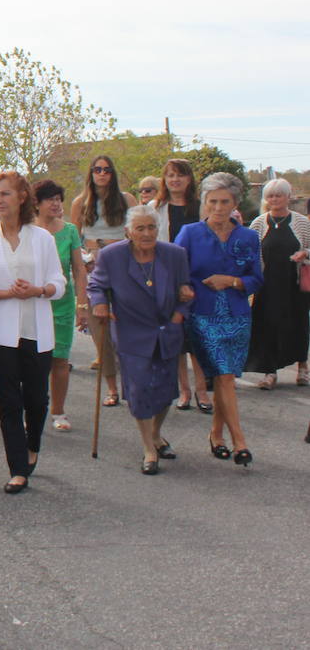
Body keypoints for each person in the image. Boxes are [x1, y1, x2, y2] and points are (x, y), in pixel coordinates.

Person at [0, 171, 66, 494]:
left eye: (5, 194)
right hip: (0, 333)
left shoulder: (42, 238)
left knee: (36, 400)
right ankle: (17, 468)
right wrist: (5, 292)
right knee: (9, 402)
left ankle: (32, 443)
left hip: (37, 330)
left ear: (22, 197)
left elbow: (59, 284)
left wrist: (38, 289)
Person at [87, 205, 192, 473]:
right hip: (131, 332)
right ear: (128, 232)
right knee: (139, 390)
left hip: (167, 330)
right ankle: (148, 449)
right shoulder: (112, 256)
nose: (147, 233)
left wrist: (179, 315)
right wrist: (100, 304)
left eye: (152, 227)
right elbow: (96, 285)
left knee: (166, 391)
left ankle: (156, 434)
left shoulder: (175, 254)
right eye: (140, 228)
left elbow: (187, 289)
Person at [174, 173, 263, 468]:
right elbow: (176, 270)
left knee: (226, 379)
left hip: (238, 316)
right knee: (224, 376)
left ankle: (216, 434)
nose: (218, 207)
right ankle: (240, 441)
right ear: (204, 203)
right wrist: (183, 289)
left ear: (235, 203)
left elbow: (256, 278)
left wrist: (232, 281)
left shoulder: (248, 237)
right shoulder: (190, 233)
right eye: (212, 201)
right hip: (203, 315)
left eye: (225, 201)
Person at [70, 155, 135, 407]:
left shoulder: (126, 199)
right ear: (91, 173)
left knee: (127, 327)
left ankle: (131, 384)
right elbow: (75, 239)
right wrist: (85, 259)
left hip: (124, 265)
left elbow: (137, 232)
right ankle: (111, 388)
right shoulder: (80, 202)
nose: (102, 174)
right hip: (94, 267)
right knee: (100, 330)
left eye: (107, 170)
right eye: (97, 169)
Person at [151, 158, 210, 410]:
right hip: (167, 280)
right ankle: (184, 391)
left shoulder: (202, 207)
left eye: (180, 175)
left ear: (189, 179)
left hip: (198, 280)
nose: (175, 180)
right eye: (170, 175)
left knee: (197, 340)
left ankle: (202, 391)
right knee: (175, 339)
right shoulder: (155, 208)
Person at [32, 180, 87, 432]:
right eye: (50, 199)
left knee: (60, 360)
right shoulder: (27, 230)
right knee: (35, 362)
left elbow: (79, 269)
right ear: (36, 203)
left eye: (58, 199)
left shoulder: (70, 231)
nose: (55, 204)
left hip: (62, 303)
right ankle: (34, 409)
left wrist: (82, 304)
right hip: (33, 303)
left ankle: (58, 411)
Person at [245, 178, 310, 388]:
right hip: (267, 285)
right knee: (267, 326)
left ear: (288, 197)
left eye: (279, 195)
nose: (274, 199)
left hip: (294, 284)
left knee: (298, 325)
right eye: (270, 196)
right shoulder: (258, 223)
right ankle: (270, 372)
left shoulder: (301, 222)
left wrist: (305, 253)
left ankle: (302, 367)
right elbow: (250, 252)